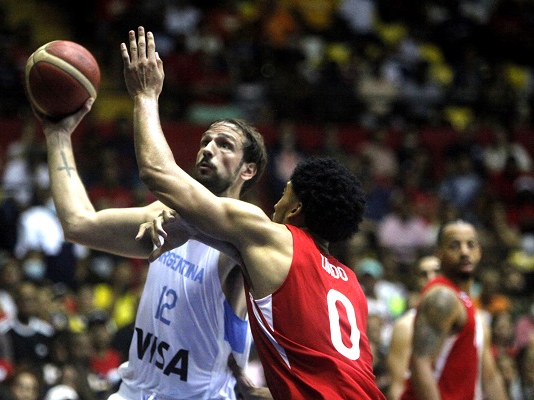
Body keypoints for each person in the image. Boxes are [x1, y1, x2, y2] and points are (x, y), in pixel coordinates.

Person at [120, 26, 385, 399]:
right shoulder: (350, 284)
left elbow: (158, 174)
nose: (275, 201)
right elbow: (331, 375)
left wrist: (145, 95)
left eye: (284, 192)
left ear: (296, 207)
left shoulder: (276, 239)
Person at [31, 46, 269, 400]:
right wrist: (58, 134)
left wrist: (145, 95)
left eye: (224, 145)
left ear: (247, 170)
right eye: (205, 141)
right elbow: (78, 223)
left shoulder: (247, 233)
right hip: (132, 392)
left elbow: (158, 173)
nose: (207, 149)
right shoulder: (166, 214)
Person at [401, 220, 508, 400]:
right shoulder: (442, 297)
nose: (465, 251)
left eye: (470, 245)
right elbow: (420, 364)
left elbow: (489, 376)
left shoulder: (470, 306)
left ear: (479, 252)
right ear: (439, 254)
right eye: (454, 245)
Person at [386, 255, 440, 400]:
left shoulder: (472, 320)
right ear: (416, 281)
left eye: (437, 271)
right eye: (424, 274)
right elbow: (397, 388)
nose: (431, 278)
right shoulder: (405, 327)